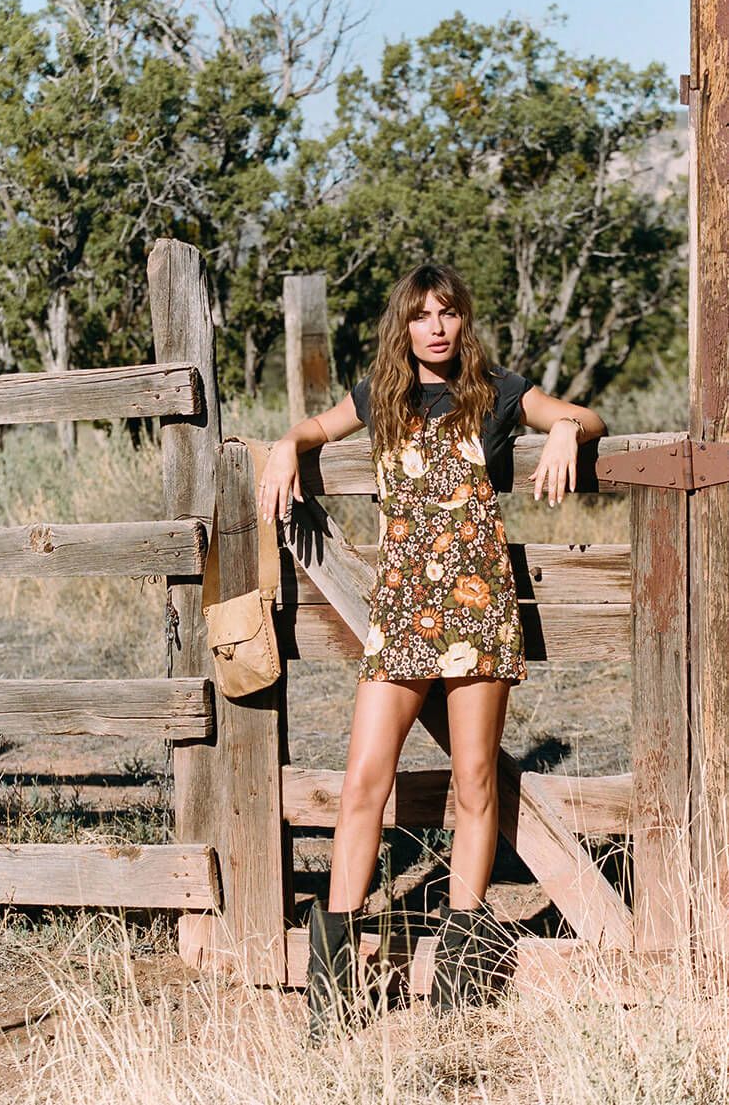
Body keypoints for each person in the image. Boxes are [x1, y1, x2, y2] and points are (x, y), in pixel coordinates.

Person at [258, 263, 608, 1041]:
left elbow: (585, 416)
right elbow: (315, 429)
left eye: (447, 312)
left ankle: (460, 970)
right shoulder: (380, 394)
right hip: (404, 611)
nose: (437, 327)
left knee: (476, 780)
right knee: (363, 780)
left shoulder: (499, 390)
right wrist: (284, 445)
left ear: (462, 318)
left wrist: (562, 429)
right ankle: (335, 980)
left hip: (478, 608)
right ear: (405, 326)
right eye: (421, 315)